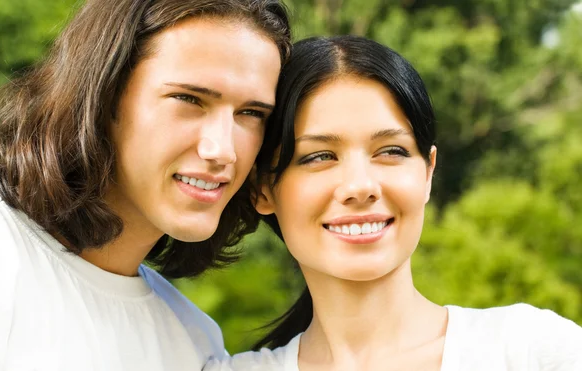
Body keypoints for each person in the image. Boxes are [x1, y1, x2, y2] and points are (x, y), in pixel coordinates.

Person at [204, 35, 582, 370]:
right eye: (319, 156)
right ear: (262, 190)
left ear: (428, 172)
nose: (360, 186)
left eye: (391, 151)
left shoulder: (533, 352)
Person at [0, 0, 290, 369]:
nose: (223, 150)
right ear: (104, 96)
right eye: (189, 99)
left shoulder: (193, 342)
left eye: (252, 113)